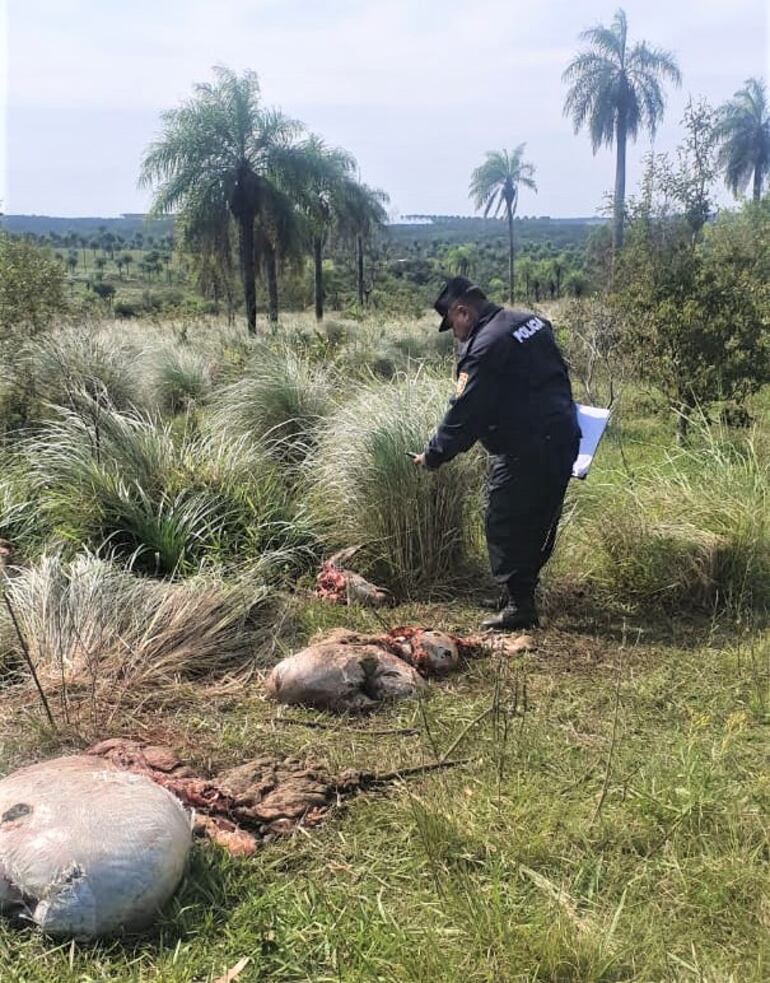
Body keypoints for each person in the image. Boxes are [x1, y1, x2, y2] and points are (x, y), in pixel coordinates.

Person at [412, 276, 580, 631]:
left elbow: (464, 411)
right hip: (564, 436)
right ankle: (518, 595)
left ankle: (521, 606)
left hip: (527, 447)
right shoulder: (530, 322)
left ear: (463, 311)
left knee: (502, 520)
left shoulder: (485, 347)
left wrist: (434, 454)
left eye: (452, 325)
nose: (455, 334)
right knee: (539, 520)